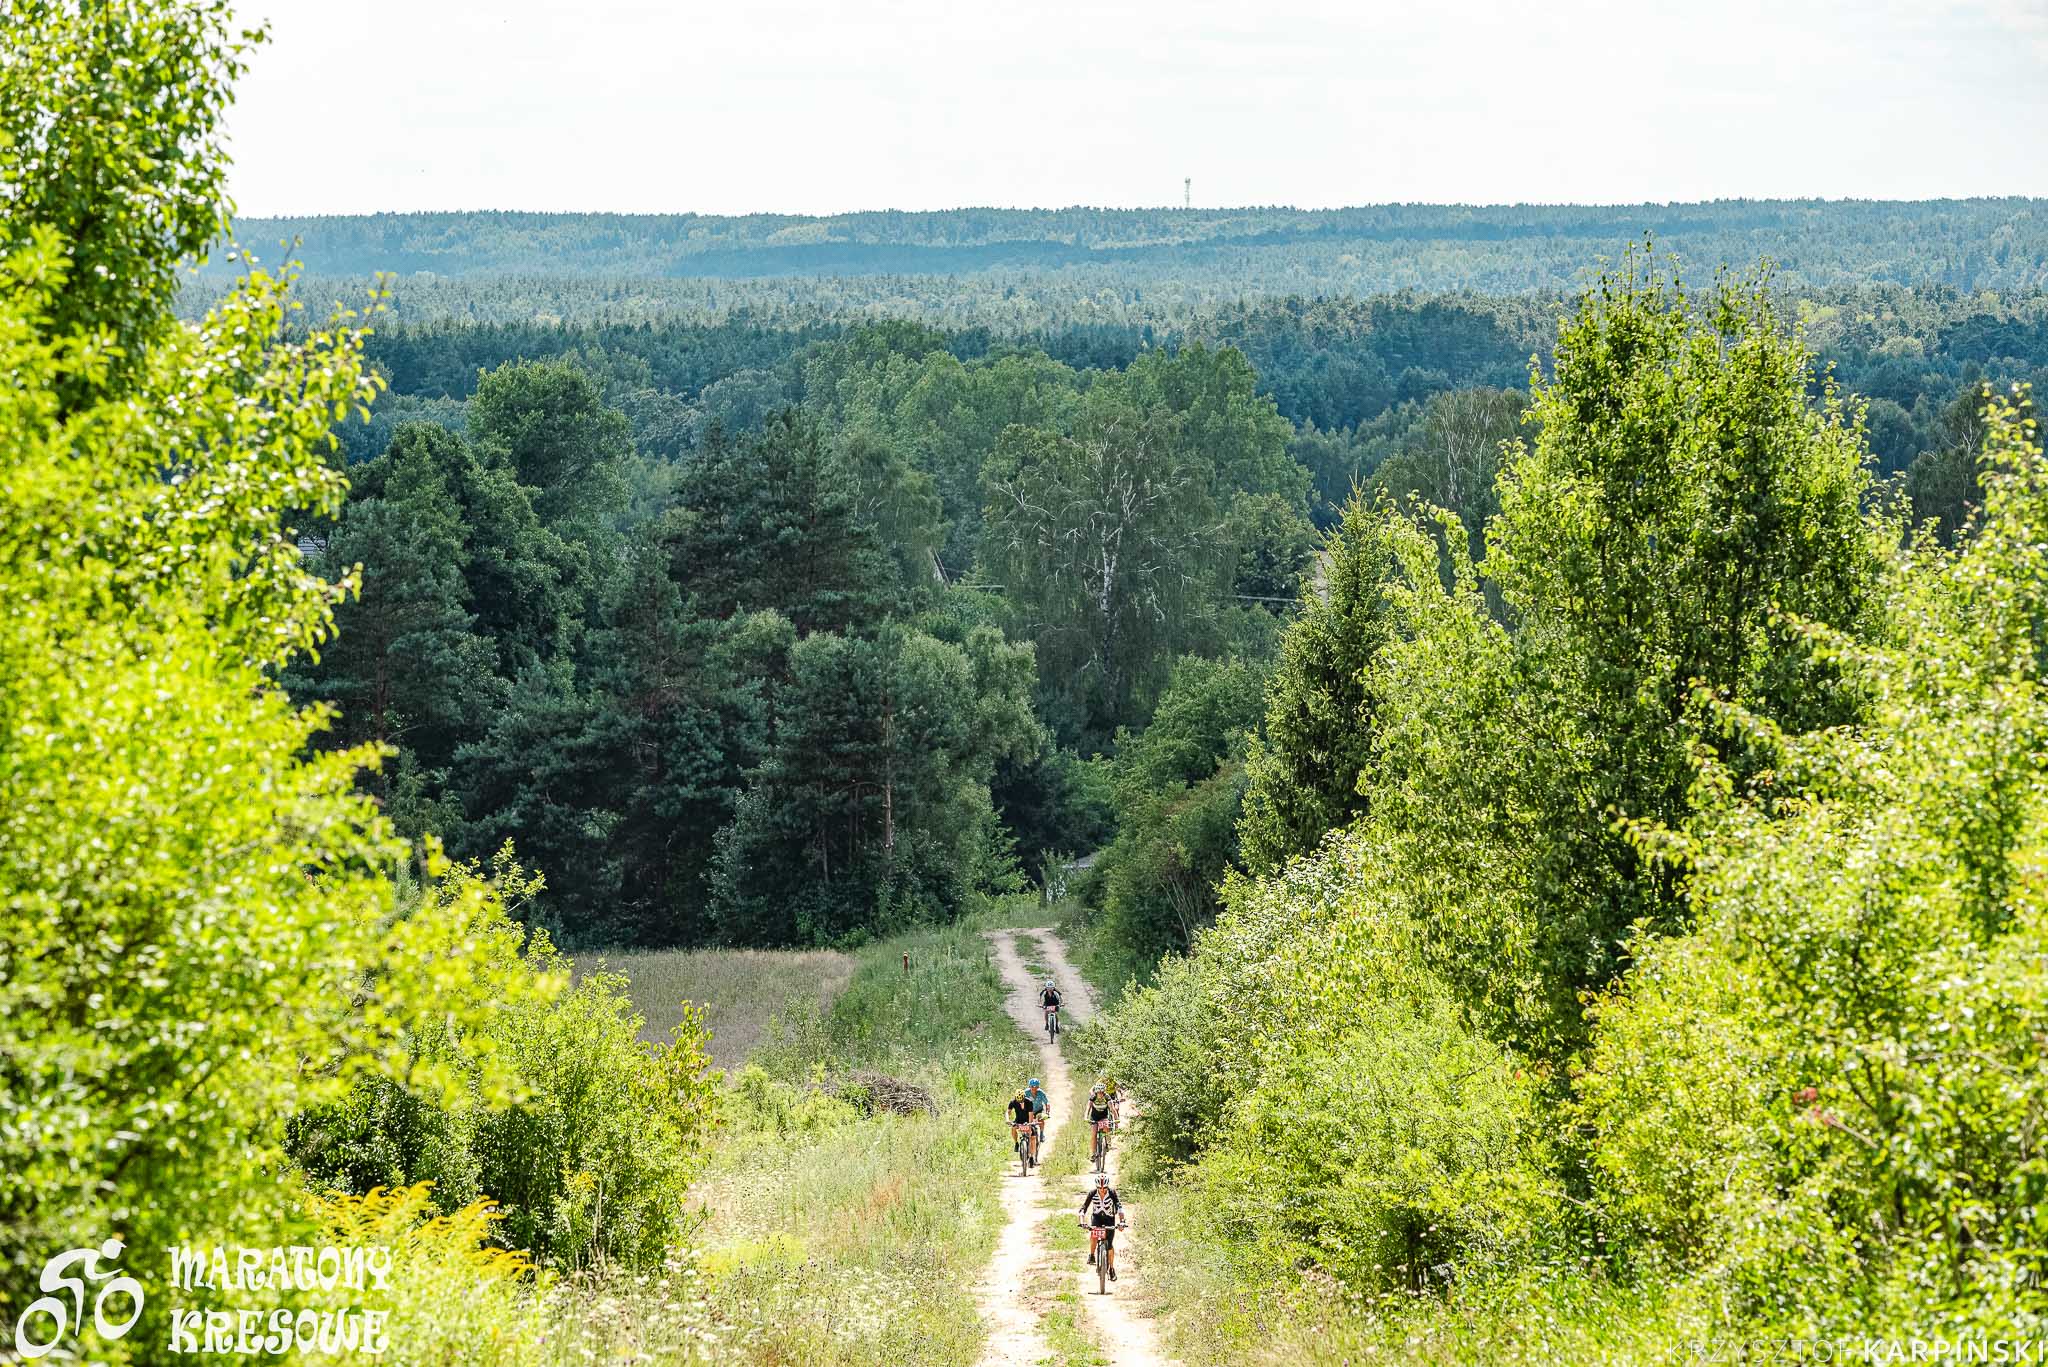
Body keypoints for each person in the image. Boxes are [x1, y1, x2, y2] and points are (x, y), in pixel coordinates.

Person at [1078, 1173, 1126, 1280]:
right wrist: (1082, 1222)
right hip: (1097, 1218)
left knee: (1109, 1245)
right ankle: (1091, 1255)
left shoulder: (1112, 1193)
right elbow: (1083, 1209)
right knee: (1094, 1235)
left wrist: (1122, 1221)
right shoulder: (1092, 1193)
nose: (1103, 1190)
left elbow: (1119, 1208)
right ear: (1097, 1187)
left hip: (1109, 1219)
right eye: (1100, 1188)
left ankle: (1111, 1269)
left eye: (1105, 1188)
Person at [1005, 1089, 1036, 1166]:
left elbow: (1030, 1115)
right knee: (1013, 1128)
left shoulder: (1029, 1102)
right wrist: (1007, 1120)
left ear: (1024, 1097)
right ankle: (1016, 1143)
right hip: (1018, 1120)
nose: (1020, 1102)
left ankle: (1032, 1156)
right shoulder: (1013, 1102)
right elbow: (1008, 1112)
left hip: (1027, 1120)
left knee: (1032, 1137)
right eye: (1018, 1100)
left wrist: (1029, 1124)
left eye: (1021, 1100)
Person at [1023, 1077, 1049, 1163]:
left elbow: (1046, 1102)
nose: (1034, 1088)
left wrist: (1047, 1111)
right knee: (1025, 1123)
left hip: (1038, 1110)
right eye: (1032, 1086)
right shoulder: (1025, 1092)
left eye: (1036, 1086)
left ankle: (1041, 1134)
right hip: (1028, 1111)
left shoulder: (1041, 1093)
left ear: (1038, 1087)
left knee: (1041, 1119)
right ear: (1029, 1086)